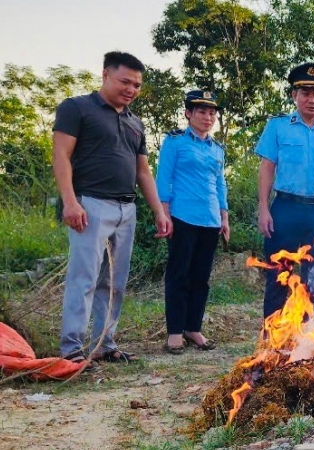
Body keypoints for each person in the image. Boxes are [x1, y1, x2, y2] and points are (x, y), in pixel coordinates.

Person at [53, 51, 171, 367]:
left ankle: (105, 344)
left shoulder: (135, 123)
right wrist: (70, 201)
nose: (131, 89)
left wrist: (159, 211)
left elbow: (143, 171)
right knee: (84, 278)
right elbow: (61, 156)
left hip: (126, 209)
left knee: (115, 282)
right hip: (89, 205)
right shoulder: (77, 108)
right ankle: (72, 349)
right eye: (125, 82)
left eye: (137, 85)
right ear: (105, 75)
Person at [255, 62, 314, 319]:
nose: (312, 100)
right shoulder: (278, 127)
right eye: (306, 93)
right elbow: (267, 168)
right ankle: (272, 334)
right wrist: (263, 208)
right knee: (279, 274)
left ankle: (309, 335)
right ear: (294, 95)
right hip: (285, 210)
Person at [156, 90, 229, 354]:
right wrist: (163, 214)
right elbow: (163, 179)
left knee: (201, 278)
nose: (208, 117)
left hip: (210, 220)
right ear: (188, 113)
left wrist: (224, 217)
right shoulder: (175, 142)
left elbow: (220, 184)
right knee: (179, 275)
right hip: (182, 217)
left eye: (212, 113)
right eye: (201, 112)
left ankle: (193, 328)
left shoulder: (217, 149)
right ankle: (175, 332)